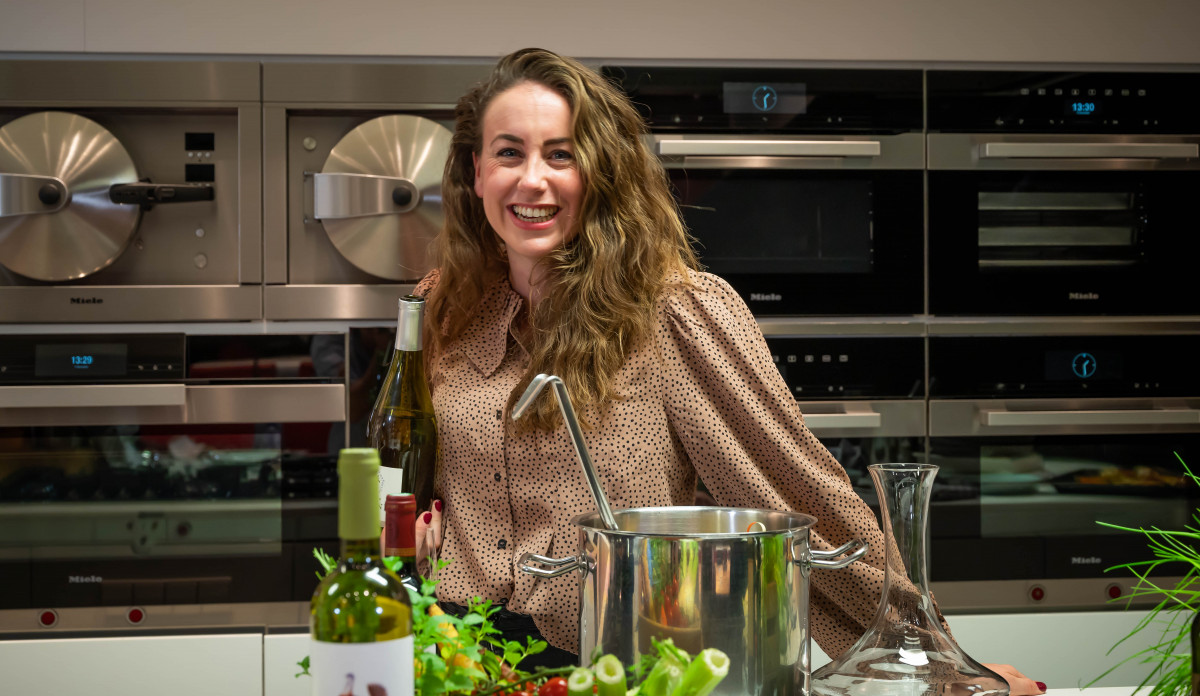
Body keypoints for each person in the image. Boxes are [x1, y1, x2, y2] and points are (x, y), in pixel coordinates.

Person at [409, 47, 1042, 693]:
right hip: (449, 657)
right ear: (476, 171)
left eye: (561, 155)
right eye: (509, 153)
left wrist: (935, 665)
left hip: (613, 666)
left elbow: (796, 491)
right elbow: (411, 474)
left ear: (602, 173)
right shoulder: (441, 308)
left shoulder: (673, 311)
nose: (532, 180)